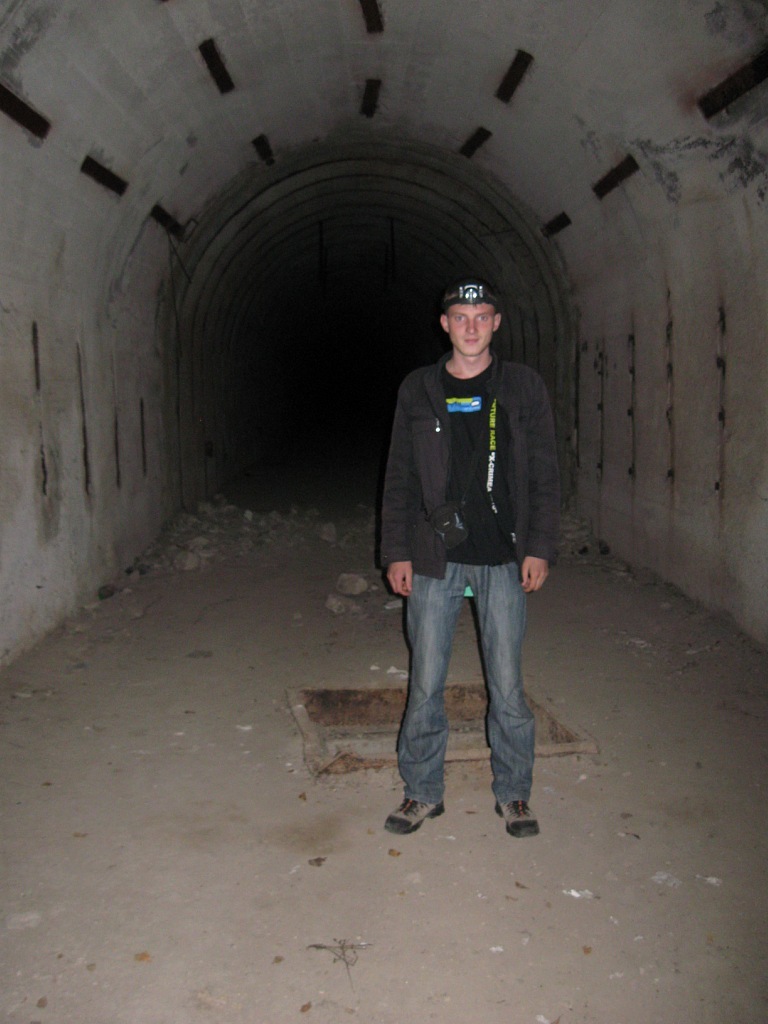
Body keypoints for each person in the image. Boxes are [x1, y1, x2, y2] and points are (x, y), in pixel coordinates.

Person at [380, 277, 560, 838]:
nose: (472, 326)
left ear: (497, 323)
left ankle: (514, 793)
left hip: (503, 556)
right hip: (434, 556)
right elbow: (399, 476)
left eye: (482, 316)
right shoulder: (419, 388)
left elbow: (545, 474)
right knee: (425, 682)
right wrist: (396, 552)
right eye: (461, 316)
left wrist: (540, 547)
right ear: (445, 324)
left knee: (506, 684)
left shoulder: (523, 387)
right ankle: (421, 791)